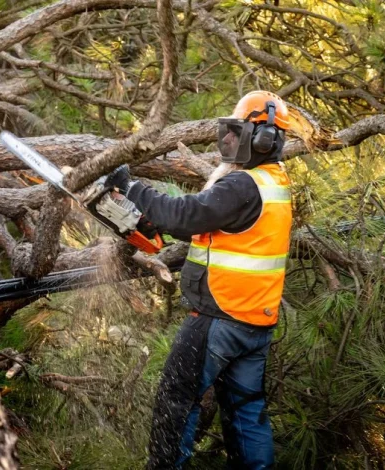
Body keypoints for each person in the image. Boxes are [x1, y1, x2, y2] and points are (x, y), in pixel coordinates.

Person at [106, 91, 294, 469]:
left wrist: (132, 189)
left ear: (263, 138)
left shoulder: (245, 185)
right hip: (255, 322)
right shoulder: (275, 182)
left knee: (176, 399)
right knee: (246, 408)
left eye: (240, 130)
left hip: (219, 316)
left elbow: (188, 216)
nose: (230, 139)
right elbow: (212, 228)